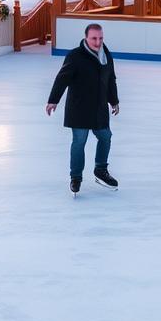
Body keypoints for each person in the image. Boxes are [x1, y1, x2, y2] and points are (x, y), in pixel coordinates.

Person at [46, 23, 120, 195]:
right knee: (79, 142)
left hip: (99, 108)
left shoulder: (105, 55)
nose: (98, 42)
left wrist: (114, 101)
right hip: (79, 108)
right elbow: (62, 79)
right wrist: (53, 100)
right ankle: (76, 178)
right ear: (86, 38)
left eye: (100, 38)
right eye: (94, 38)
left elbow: (111, 79)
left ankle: (100, 169)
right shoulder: (76, 56)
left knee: (105, 136)